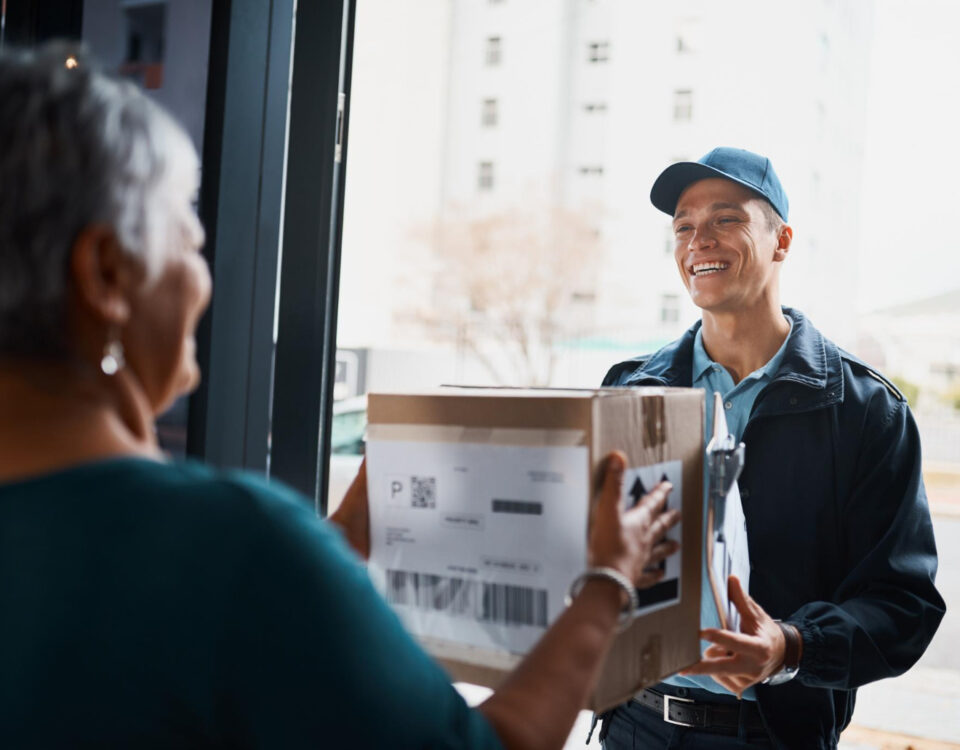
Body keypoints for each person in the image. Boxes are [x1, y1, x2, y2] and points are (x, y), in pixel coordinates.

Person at [0, 45, 682, 749]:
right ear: (108, 273)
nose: (204, 280)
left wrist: (329, 551)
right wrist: (607, 581)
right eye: (191, 238)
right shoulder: (235, 544)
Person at [598, 147, 945, 749]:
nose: (698, 240)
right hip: (636, 727)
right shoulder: (631, 389)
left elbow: (904, 605)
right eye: (684, 226)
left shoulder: (866, 410)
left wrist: (791, 645)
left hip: (772, 737)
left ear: (781, 240)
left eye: (725, 219)